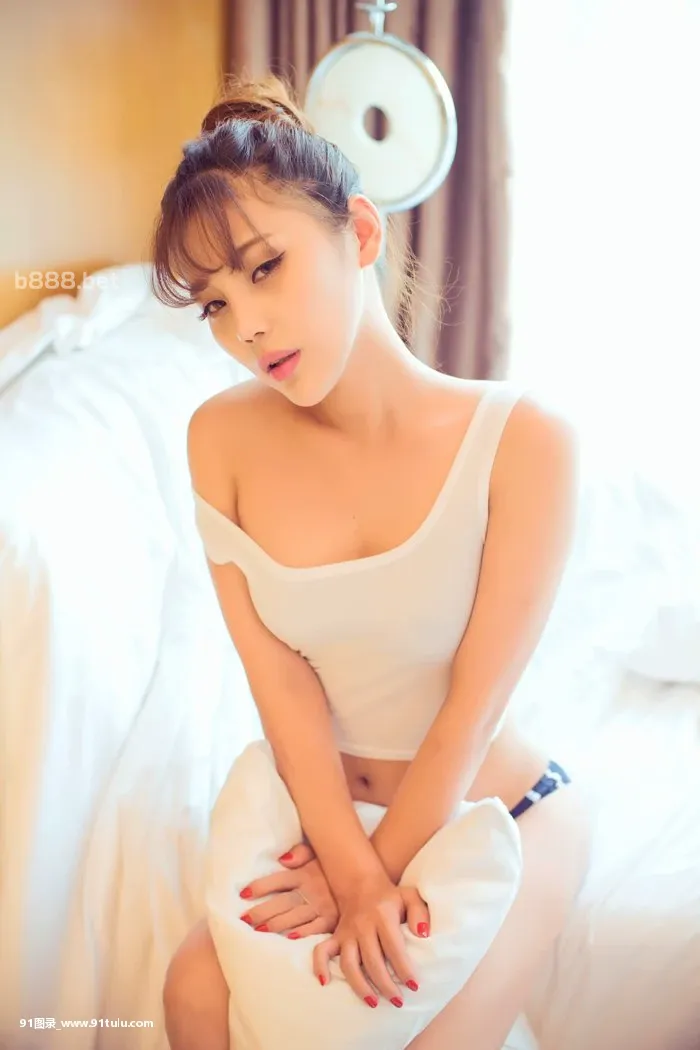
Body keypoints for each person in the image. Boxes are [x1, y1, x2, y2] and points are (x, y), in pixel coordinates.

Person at [151, 75, 591, 1050]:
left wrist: (370, 875)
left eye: (265, 269)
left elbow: (472, 707)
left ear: (358, 232)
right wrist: (346, 866)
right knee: (192, 993)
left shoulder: (526, 441)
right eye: (214, 304)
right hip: (328, 819)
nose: (244, 327)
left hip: (499, 812)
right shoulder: (218, 440)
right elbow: (282, 687)